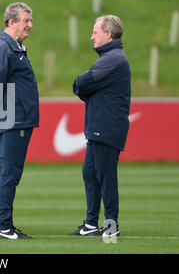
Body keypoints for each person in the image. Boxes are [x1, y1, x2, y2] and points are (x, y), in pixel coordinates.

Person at [68, 15, 131, 237]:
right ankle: (91, 224)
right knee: (91, 174)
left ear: (108, 34)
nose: (91, 37)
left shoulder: (112, 59)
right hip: (100, 126)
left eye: (95, 32)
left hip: (106, 127)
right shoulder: (111, 57)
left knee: (105, 175)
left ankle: (111, 224)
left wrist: (83, 86)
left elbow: (81, 83)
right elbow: (85, 87)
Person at [0, 2, 39, 239]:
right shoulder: (2, 48)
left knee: (10, 173)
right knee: (9, 173)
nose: (30, 25)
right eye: (26, 20)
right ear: (11, 22)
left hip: (18, 120)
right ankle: (2, 225)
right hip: (12, 120)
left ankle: (5, 223)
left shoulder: (13, 47)